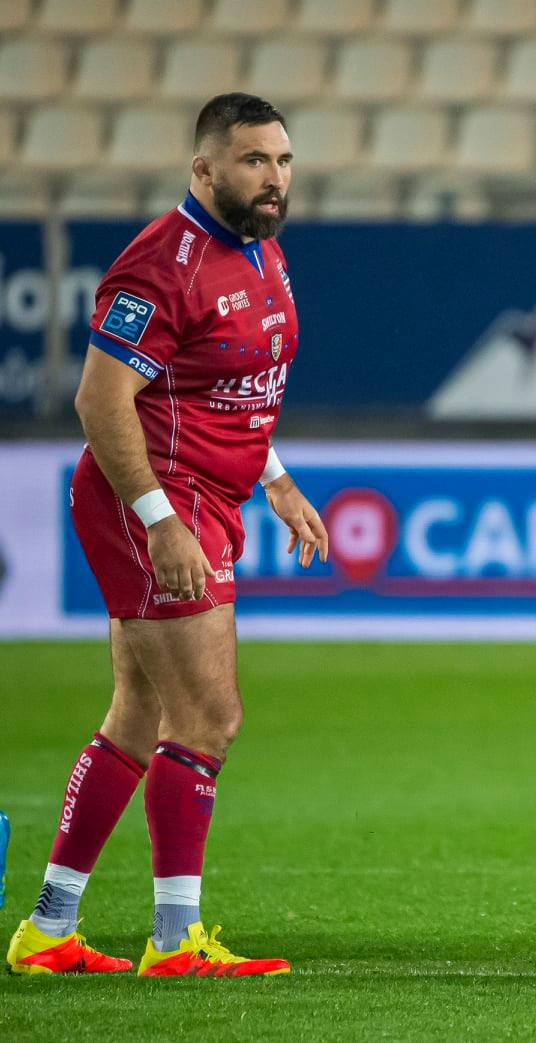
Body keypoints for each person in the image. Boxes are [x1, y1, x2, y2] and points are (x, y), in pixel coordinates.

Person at [6, 94, 327, 978]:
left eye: (283, 160)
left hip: (207, 493)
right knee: (210, 718)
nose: (274, 178)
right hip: (153, 496)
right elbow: (99, 401)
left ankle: (48, 928)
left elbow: (226, 387)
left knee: (138, 717)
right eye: (254, 161)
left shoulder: (261, 248)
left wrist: (275, 478)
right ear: (204, 168)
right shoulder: (160, 266)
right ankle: (175, 940)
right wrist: (160, 521)